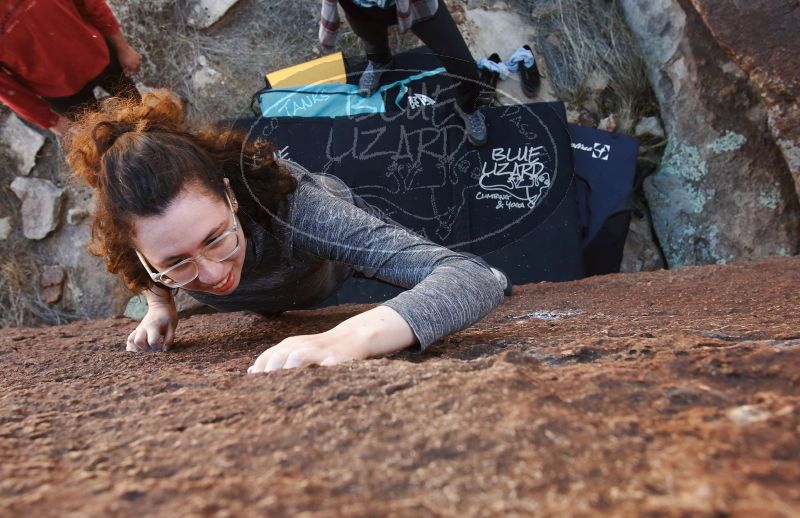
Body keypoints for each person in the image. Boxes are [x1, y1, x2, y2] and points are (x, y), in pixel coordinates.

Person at [64, 90, 509, 373]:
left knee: (416, 264)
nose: (214, 274)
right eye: (175, 262)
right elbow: (145, 269)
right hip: (271, 293)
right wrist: (161, 304)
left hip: (325, 265)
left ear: (229, 197)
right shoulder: (140, 244)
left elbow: (472, 276)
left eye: (216, 238)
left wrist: (343, 341)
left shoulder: (296, 210)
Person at [319, 0, 488, 147]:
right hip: (361, 8)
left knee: (466, 70)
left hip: (418, 5)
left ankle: (467, 108)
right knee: (373, 42)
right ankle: (380, 61)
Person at [0, 0, 141, 136]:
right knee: (102, 136)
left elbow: (92, 4)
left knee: (138, 108)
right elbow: (5, 88)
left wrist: (123, 48)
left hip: (96, 54)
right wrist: (50, 120)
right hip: (58, 92)